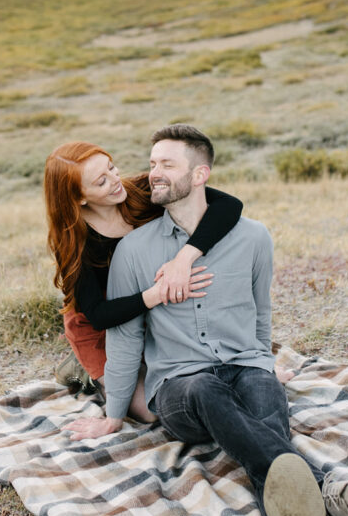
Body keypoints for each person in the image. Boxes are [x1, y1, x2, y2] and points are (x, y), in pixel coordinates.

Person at [63, 124, 348, 516]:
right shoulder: (130, 250)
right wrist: (114, 412)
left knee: (261, 391)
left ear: (200, 174)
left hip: (244, 362)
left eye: (164, 164)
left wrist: (262, 360)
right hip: (176, 383)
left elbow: (261, 311)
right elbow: (122, 334)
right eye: (150, 163)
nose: (149, 173)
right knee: (206, 388)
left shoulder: (252, 237)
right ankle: (334, 490)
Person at [44, 140, 245, 421]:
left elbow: (228, 205)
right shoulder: (74, 241)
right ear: (79, 198)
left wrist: (184, 259)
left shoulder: (141, 190)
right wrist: (158, 293)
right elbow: (99, 316)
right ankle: (83, 369)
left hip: (157, 311)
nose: (116, 181)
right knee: (149, 412)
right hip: (107, 322)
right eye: (102, 181)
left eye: (112, 168)